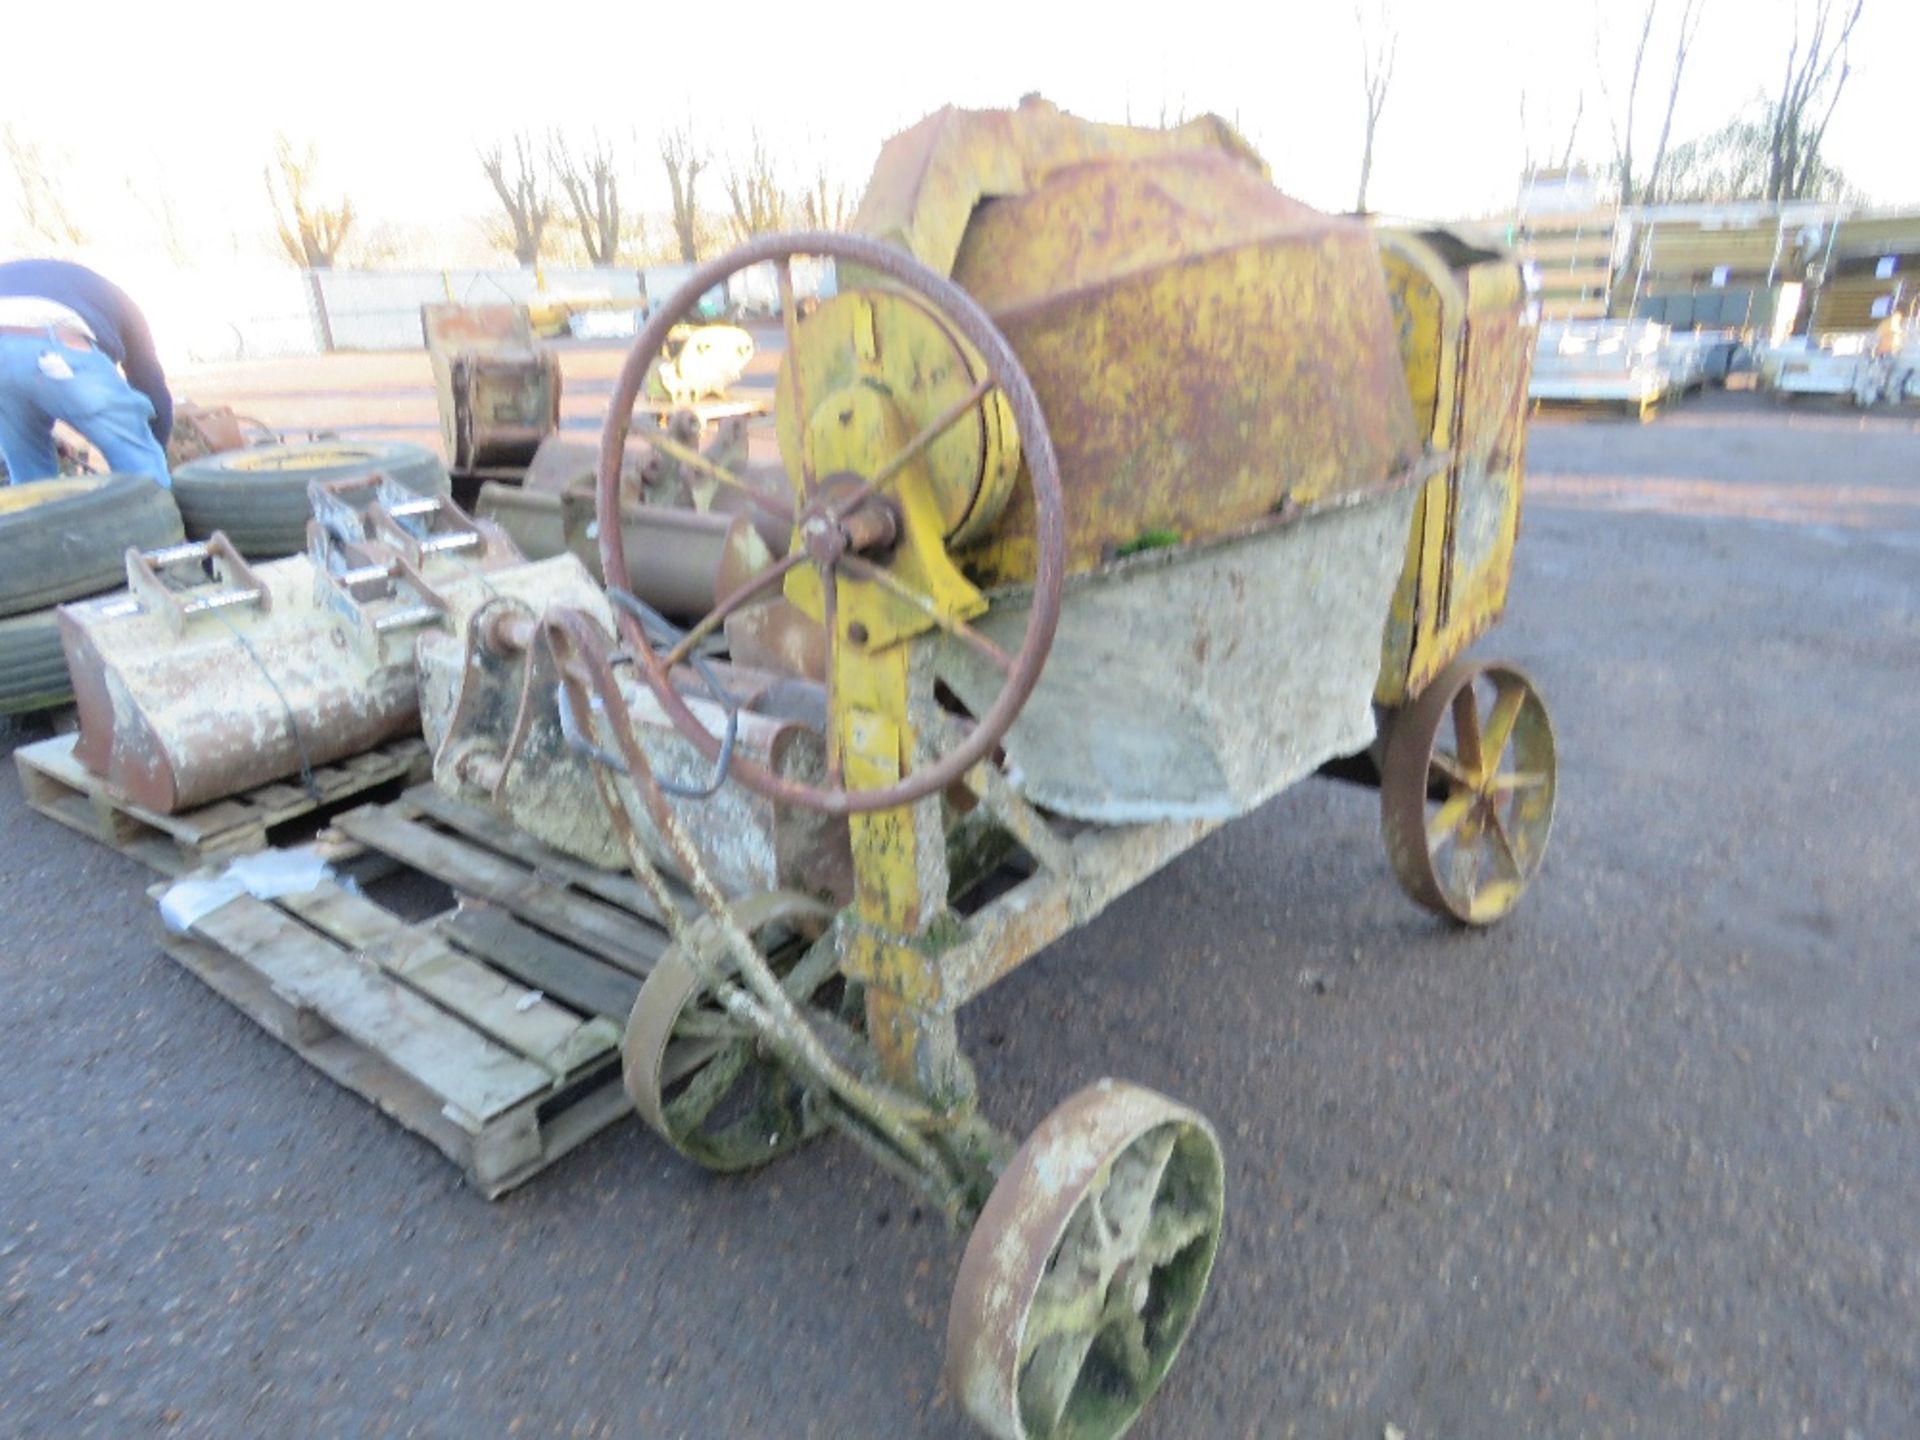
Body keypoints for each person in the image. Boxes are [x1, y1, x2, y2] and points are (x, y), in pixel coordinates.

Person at [0, 258, 173, 486]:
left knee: (31, 483)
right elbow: (151, 386)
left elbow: (17, 367)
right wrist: (155, 449)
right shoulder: (120, 302)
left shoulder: (15, 276)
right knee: (140, 465)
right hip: (56, 345)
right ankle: (159, 517)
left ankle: (33, 517)